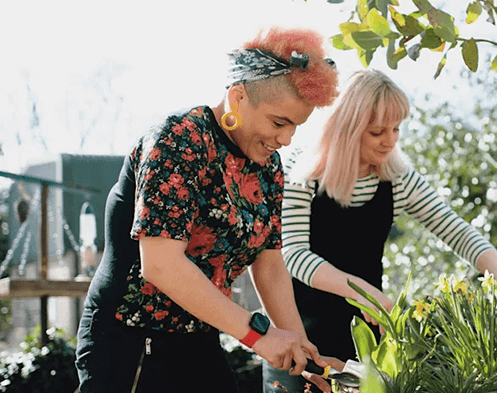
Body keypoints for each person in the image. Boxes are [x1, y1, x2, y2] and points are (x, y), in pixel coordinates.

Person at [75, 25, 342, 393]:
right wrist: (258, 336)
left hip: (198, 334)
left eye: (296, 127)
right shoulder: (177, 139)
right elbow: (161, 264)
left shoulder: (269, 167)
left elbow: (270, 266)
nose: (286, 139)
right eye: (279, 122)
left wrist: (302, 349)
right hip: (128, 337)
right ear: (237, 97)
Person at [264, 69, 497, 392]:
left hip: (365, 346)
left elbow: (460, 234)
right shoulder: (303, 172)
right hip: (295, 338)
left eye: (396, 128)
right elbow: (294, 255)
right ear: (348, 130)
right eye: (378, 131)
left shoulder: (396, 178)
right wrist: (365, 294)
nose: (391, 140)